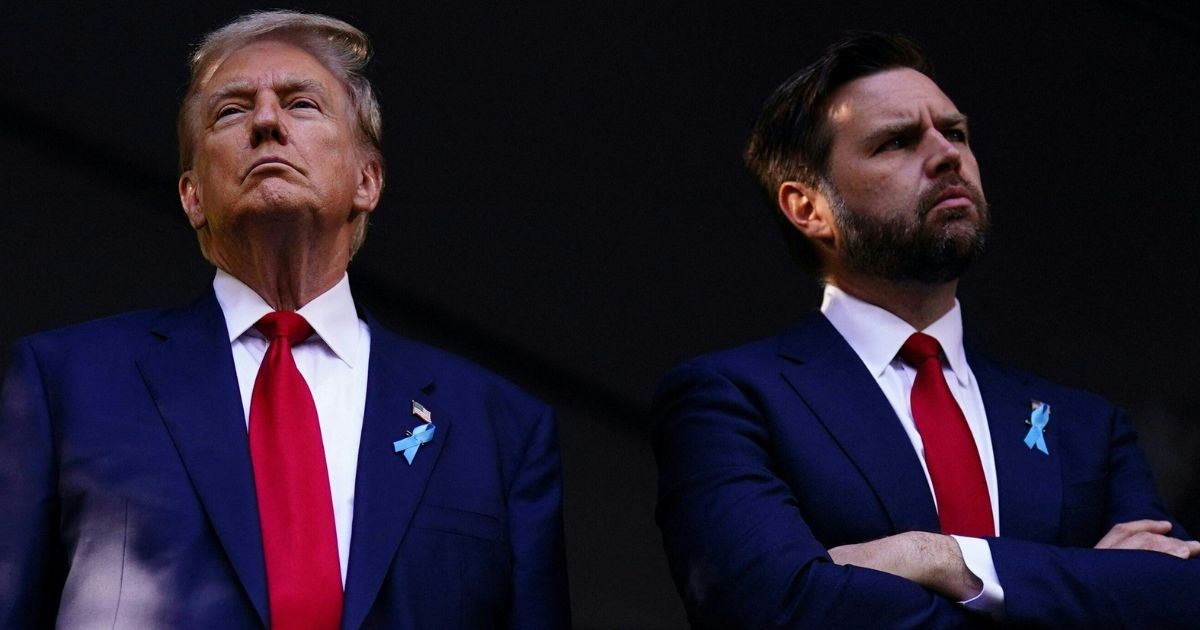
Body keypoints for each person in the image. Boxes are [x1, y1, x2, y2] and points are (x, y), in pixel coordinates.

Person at [0, 10, 569, 629]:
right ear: (191, 195)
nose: (267, 121)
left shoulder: (500, 427)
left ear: (367, 179)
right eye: (232, 111)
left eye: (301, 105)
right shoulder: (64, 385)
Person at [653, 32, 1200, 628]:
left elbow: (1178, 599)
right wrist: (1084, 589)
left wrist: (937, 557)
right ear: (808, 208)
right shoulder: (729, 399)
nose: (947, 155)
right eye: (897, 141)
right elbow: (772, 608)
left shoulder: (1088, 430)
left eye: (956, 132)